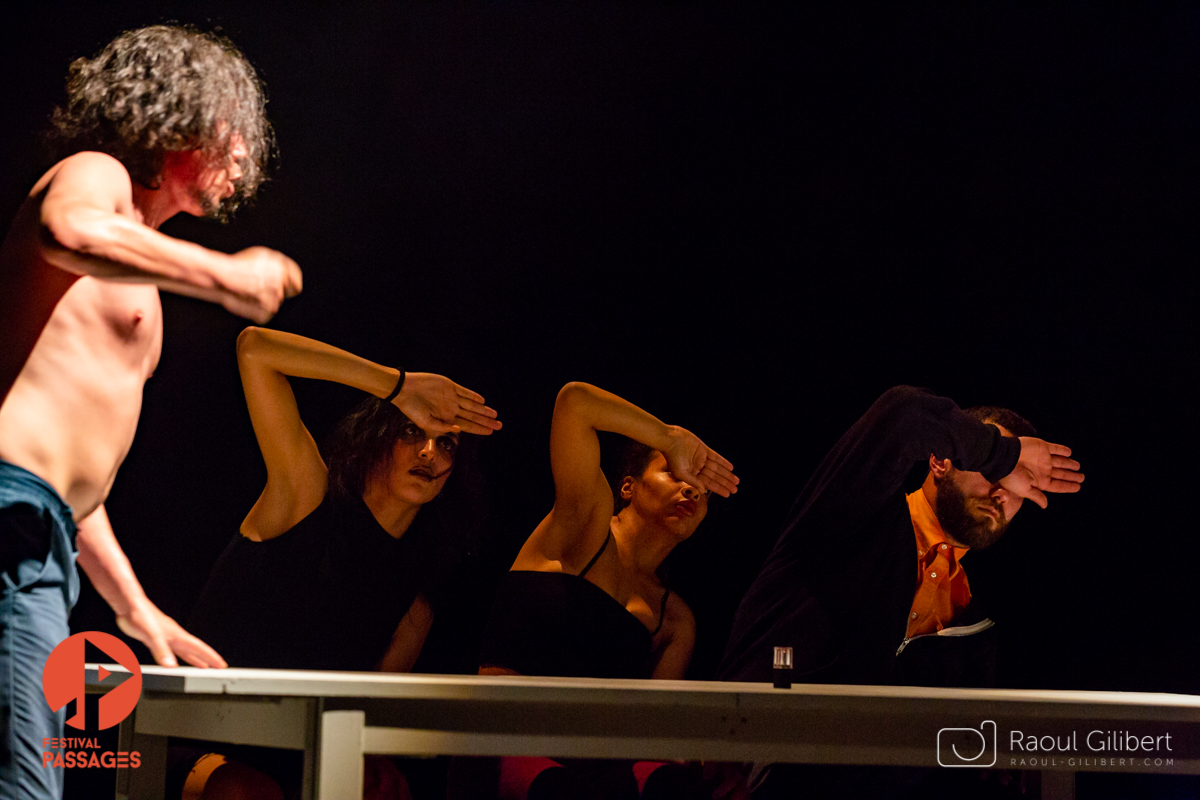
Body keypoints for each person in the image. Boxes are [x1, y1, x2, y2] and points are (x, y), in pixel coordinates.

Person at [0, 25, 302, 800]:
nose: (243, 159)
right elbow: (65, 230)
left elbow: (72, 479)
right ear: (181, 121)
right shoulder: (93, 175)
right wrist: (223, 277)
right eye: (231, 132)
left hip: (42, 530)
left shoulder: (133, 264)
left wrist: (136, 610)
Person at [179, 327, 500, 799]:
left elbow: (362, 726)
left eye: (446, 443)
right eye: (412, 431)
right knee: (245, 792)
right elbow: (255, 349)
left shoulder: (414, 610)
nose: (429, 452)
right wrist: (397, 385)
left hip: (303, 760)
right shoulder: (308, 496)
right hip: (200, 741)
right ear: (375, 439)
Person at [717, 385, 1084, 798]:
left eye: (1020, 481)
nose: (1003, 490)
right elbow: (904, 414)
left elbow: (954, 758)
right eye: (991, 468)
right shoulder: (855, 514)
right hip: (761, 771)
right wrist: (1006, 455)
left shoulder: (974, 620)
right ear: (940, 460)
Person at [459, 382, 739, 800]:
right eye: (673, 473)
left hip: (598, 764)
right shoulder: (585, 525)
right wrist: (668, 437)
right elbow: (575, 403)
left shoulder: (675, 618)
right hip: (507, 740)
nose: (690, 489)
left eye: (699, 486)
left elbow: (653, 733)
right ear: (627, 487)